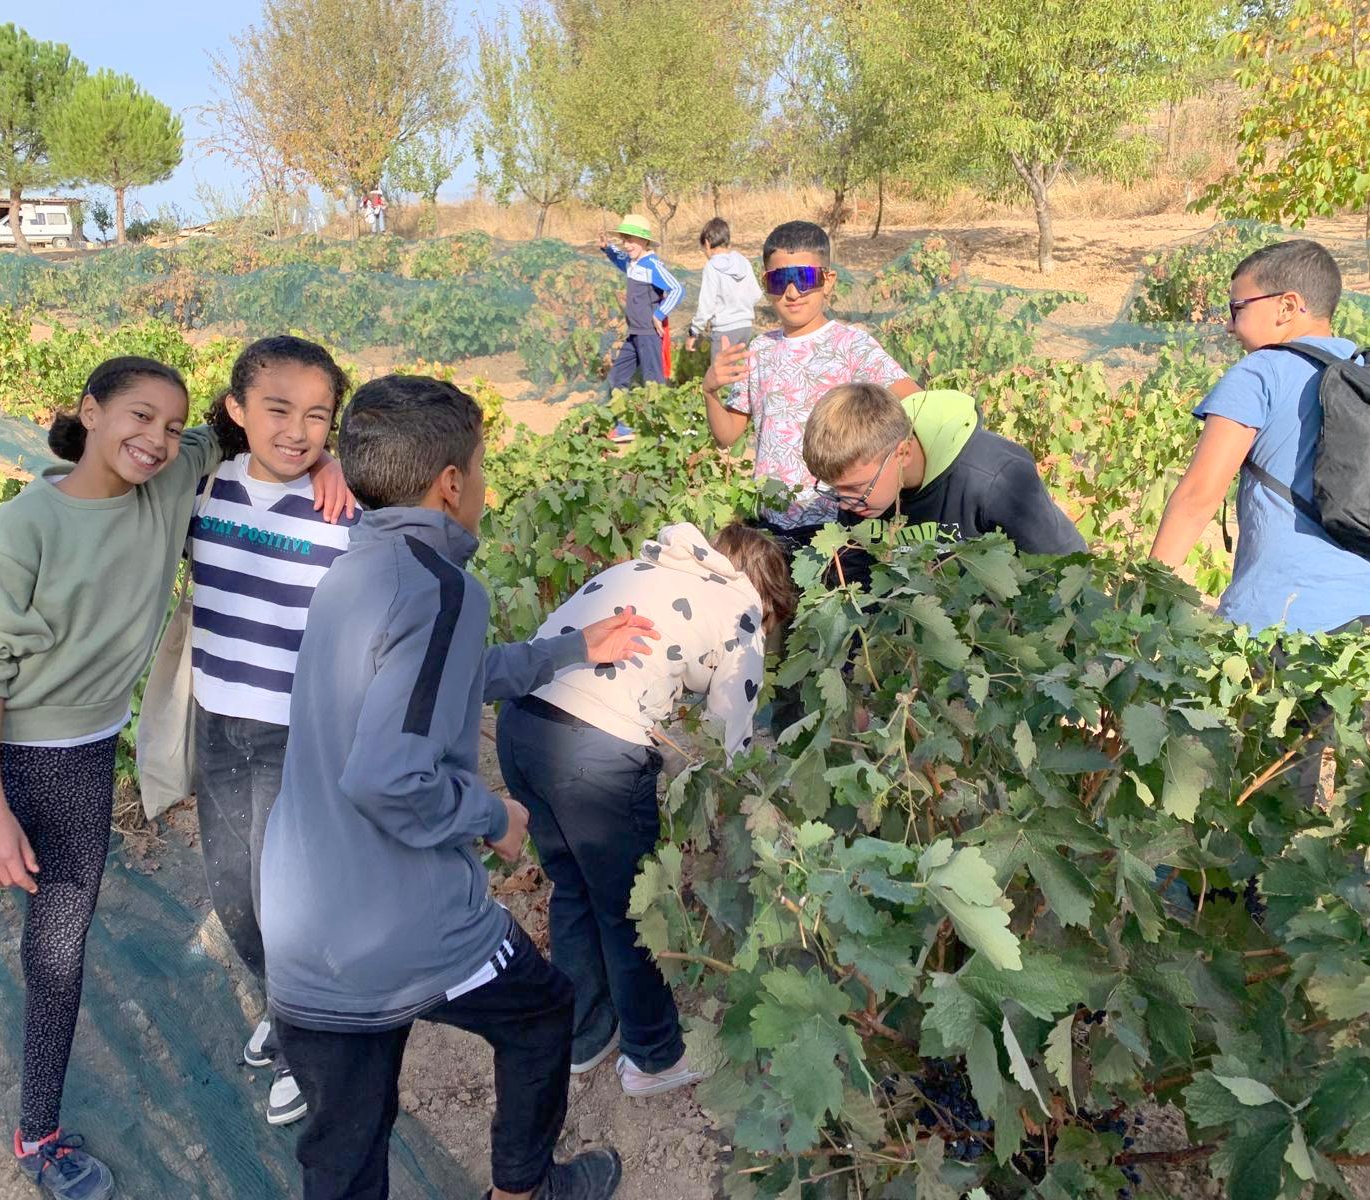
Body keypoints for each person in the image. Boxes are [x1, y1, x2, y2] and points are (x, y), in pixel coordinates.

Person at [0, 358, 349, 1200]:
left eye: (171, 427)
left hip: (87, 767)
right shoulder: (27, 521)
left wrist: (329, 458)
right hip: (2, 771)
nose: (157, 440)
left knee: (58, 963)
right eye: (137, 418)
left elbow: (269, 418)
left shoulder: (172, 485)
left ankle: (40, 1135)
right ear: (89, 413)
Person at [259, 374, 656, 1200]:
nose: (485, 482)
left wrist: (570, 649)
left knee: (344, 1156)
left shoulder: (362, 568)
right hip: (398, 928)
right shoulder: (443, 588)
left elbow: (438, 681)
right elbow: (389, 775)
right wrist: (493, 815)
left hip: (305, 932)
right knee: (544, 1014)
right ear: (451, 483)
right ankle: (523, 1190)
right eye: (482, 465)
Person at [496, 521, 794, 1096]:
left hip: (521, 727)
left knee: (576, 885)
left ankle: (583, 1036)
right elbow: (723, 747)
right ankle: (654, 1057)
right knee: (633, 907)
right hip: (593, 752)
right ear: (767, 597)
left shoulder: (646, 569)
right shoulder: (743, 610)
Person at [189, 336, 354, 1128]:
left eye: (317, 416)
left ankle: (307, 1041)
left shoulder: (344, 508)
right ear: (236, 411)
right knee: (233, 897)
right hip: (218, 723)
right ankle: (283, 1008)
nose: (297, 430)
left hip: (298, 738)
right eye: (277, 410)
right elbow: (102, 533)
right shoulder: (202, 488)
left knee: (284, 900)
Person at [1151, 238, 1370, 637]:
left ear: (1287, 306)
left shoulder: (1261, 371)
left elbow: (1198, 495)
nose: (1229, 324)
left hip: (1285, 620)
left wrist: (1149, 595)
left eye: (1238, 308)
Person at [703, 220, 919, 534]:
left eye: (803, 277)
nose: (792, 292)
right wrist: (709, 391)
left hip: (838, 522)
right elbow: (727, 436)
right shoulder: (760, 350)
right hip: (770, 519)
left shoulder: (852, 346)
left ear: (827, 281)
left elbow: (915, 402)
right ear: (766, 284)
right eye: (779, 281)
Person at [801, 382, 1087, 555]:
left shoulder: (995, 479)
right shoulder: (862, 491)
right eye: (835, 490)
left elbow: (1063, 563)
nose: (846, 505)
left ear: (903, 454)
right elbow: (857, 566)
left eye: (854, 489)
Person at [599, 214, 685, 444]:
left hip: (649, 335)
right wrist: (608, 249)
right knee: (618, 377)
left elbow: (677, 289)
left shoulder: (652, 265)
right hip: (634, 334)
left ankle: (662, 431)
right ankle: (625, 427)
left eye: (632, 240)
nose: (627, 245)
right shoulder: (632, 263)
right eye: (625, 239)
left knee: (653, 384)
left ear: (645, 241)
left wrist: (659, 314)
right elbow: (621, 261)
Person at [684, 218, 762, 357]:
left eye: (703, 249)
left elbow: (706, 305)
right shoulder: (743, 261)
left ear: (707, 243)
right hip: (746, 328)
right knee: (737, 372)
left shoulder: (712, 267)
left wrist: (694, 332)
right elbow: (756, 294)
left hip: (725, 330)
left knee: (721, 376)